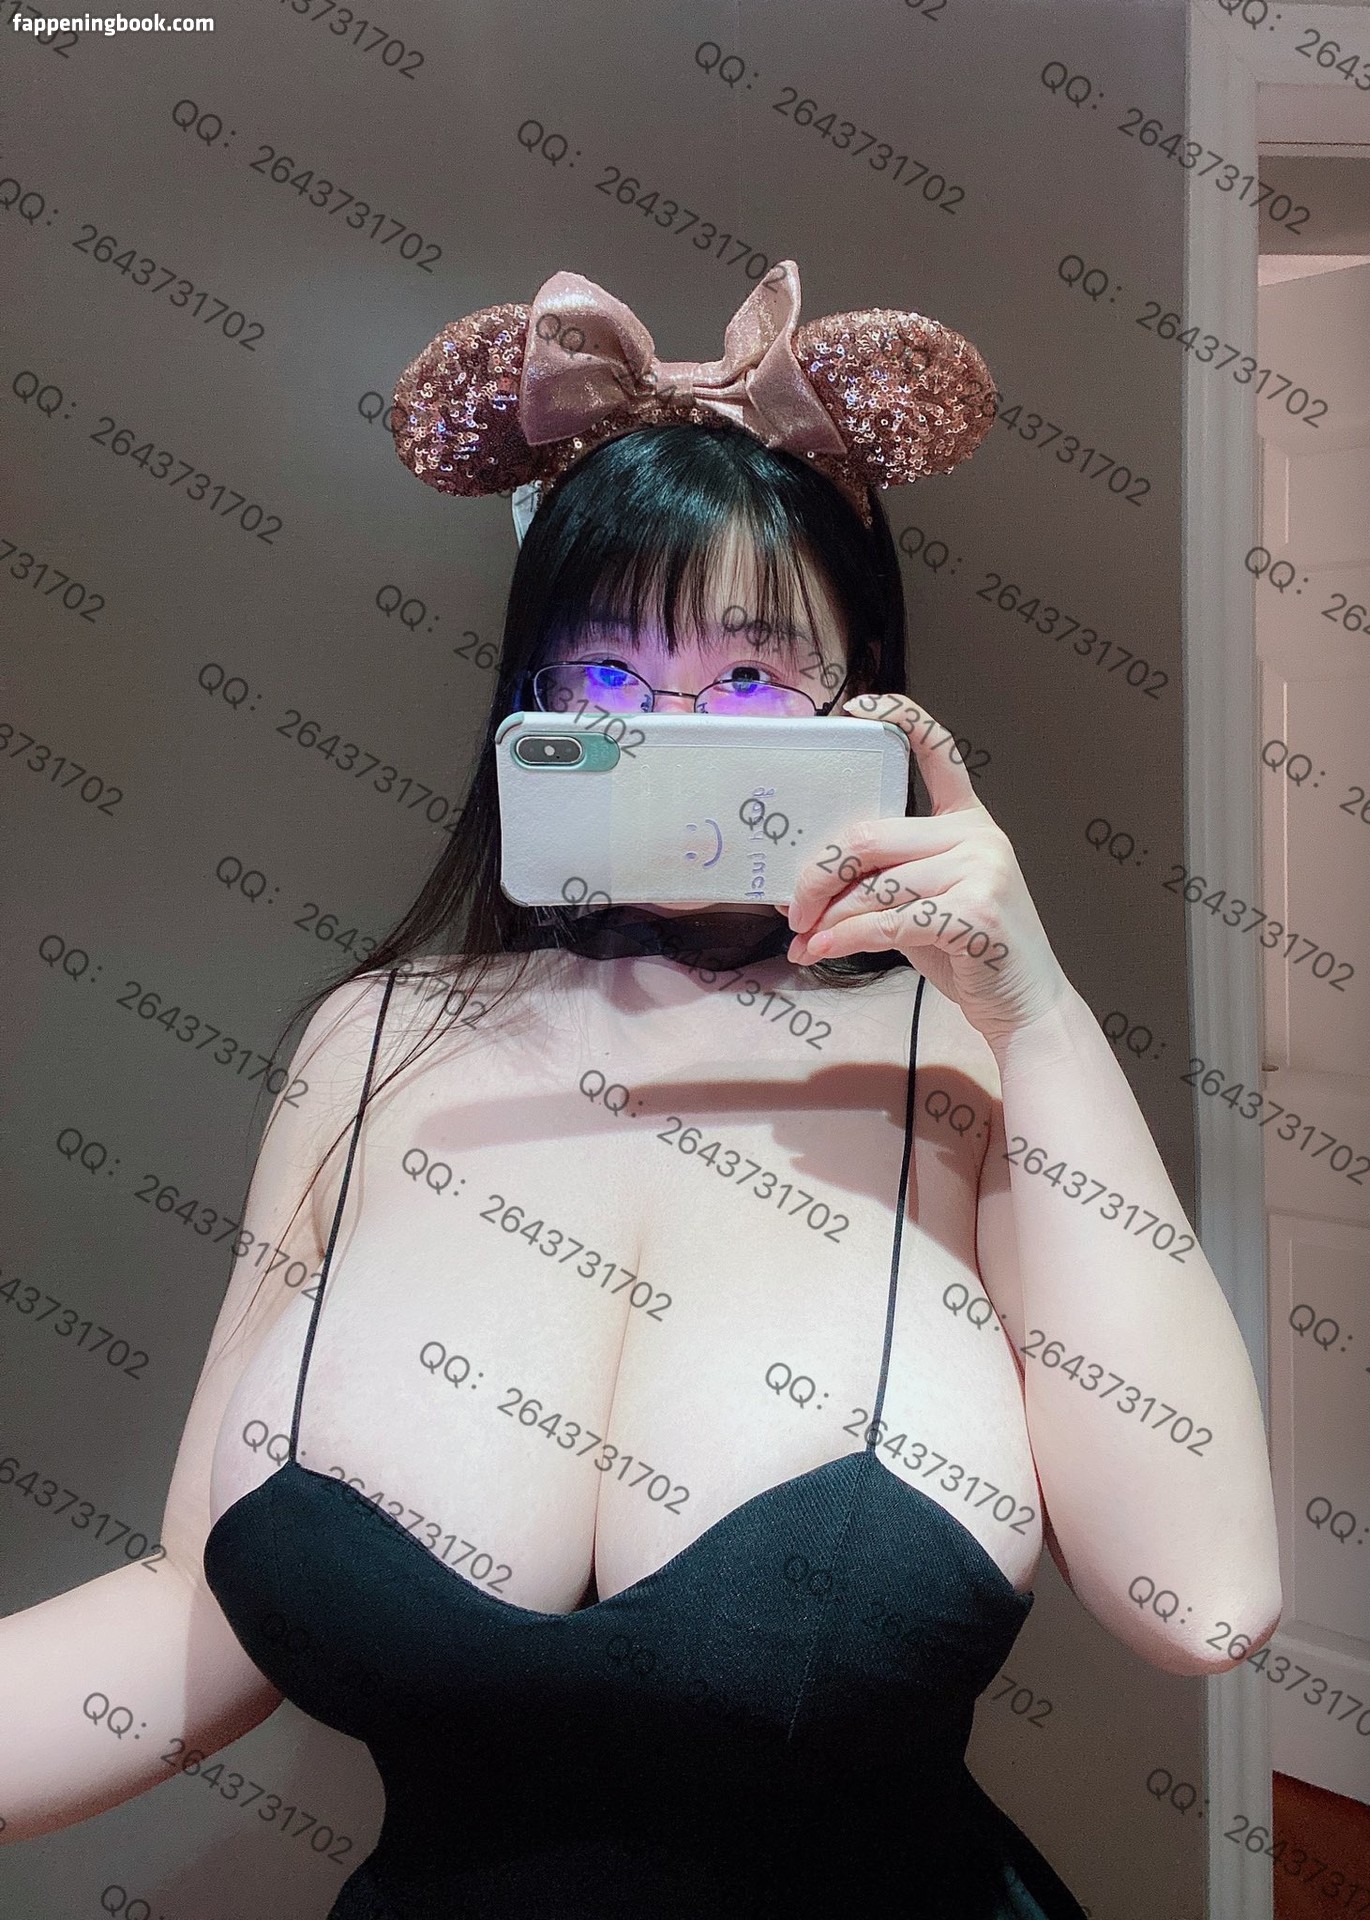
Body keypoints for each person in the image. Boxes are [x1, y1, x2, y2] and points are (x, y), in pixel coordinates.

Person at [0, 263, 1280, 1917]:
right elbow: (194, 1609)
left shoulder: (968, 1063)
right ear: (526, 704)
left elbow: (1201, 1599)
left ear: (868, 703)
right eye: (604, 681)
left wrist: (1031, 1011)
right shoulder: (368, 1048)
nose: (672, 734)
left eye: (750, 682)